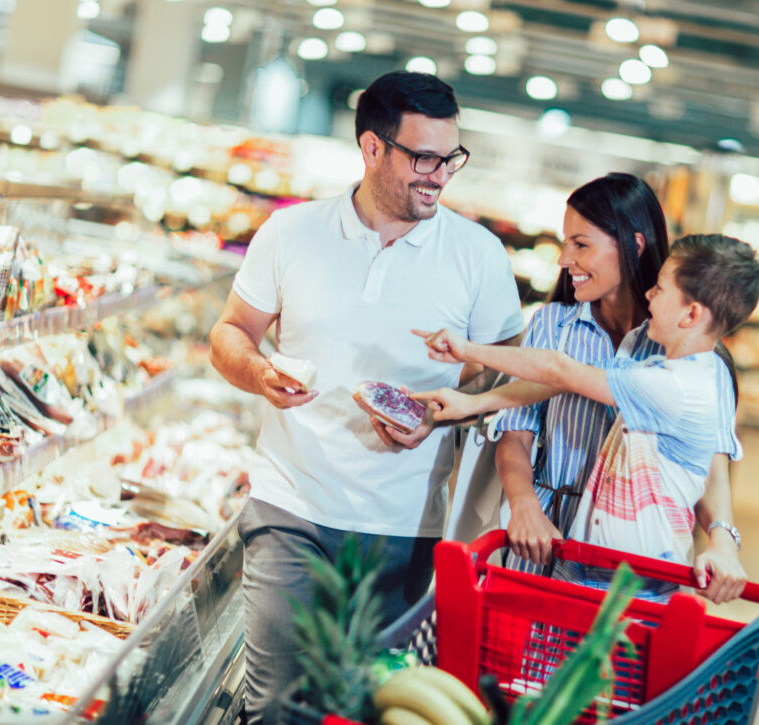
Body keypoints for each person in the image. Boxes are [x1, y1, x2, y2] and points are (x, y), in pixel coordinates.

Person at [209, 71, 524, 724]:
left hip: (405, 525)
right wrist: (258, 371)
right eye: (423, 158)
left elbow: (507, 381)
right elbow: (230, 333)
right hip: (289, 503)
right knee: (272, 705)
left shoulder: (479, 256)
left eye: (451, 158)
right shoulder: (291, 234)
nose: (439, 175)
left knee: (360, 706)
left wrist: (440, 411)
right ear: (372, 147)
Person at [414, 233, 759, 601]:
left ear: (691, 314)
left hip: (622, 588)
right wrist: (472, 404)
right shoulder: (676, 369)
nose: (648, 295)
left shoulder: (671, 386)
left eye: (660, 290)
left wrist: (467, 349)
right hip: (603, 571)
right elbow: (562, 383)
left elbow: (558, 370)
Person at [477, 173, 746, 603]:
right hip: (541, 544)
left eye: (581, 244)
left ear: (633, 244)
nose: (565, 260)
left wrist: (723, 540)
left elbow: (709, 468)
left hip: (629, 569)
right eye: (566, 243)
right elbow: (516, 432)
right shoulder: (554, 325)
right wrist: (524, 506)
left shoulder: (686, 359)